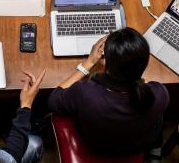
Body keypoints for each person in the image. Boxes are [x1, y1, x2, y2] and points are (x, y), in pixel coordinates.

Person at [48, 27, 169, 157]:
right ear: (145, 63)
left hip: (97, 146)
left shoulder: (86, 93)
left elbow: (54, 100)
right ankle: (155, 150)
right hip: (137, 145)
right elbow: (141, 83)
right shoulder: (159, 94)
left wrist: (89, 62)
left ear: (108, 64)